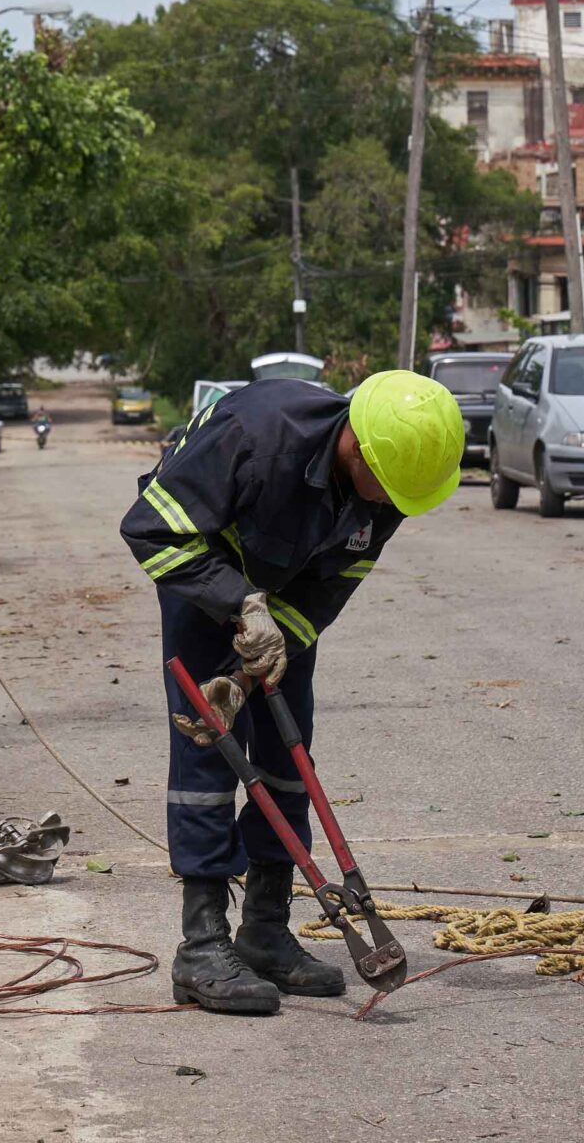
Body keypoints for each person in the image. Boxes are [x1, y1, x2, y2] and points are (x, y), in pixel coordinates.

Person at [118, 370, 464, 1015]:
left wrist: (263, 659)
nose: (388, 505)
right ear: (355, 446)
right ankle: (200, 945)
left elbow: (329, 589)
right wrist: (236, 606)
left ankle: (266, 930)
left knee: (288, 750)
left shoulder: (389, 485)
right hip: (204, 566)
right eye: (385, 489)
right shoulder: (254, 436)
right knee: (211, 755)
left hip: (285, 594)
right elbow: (149, 529)